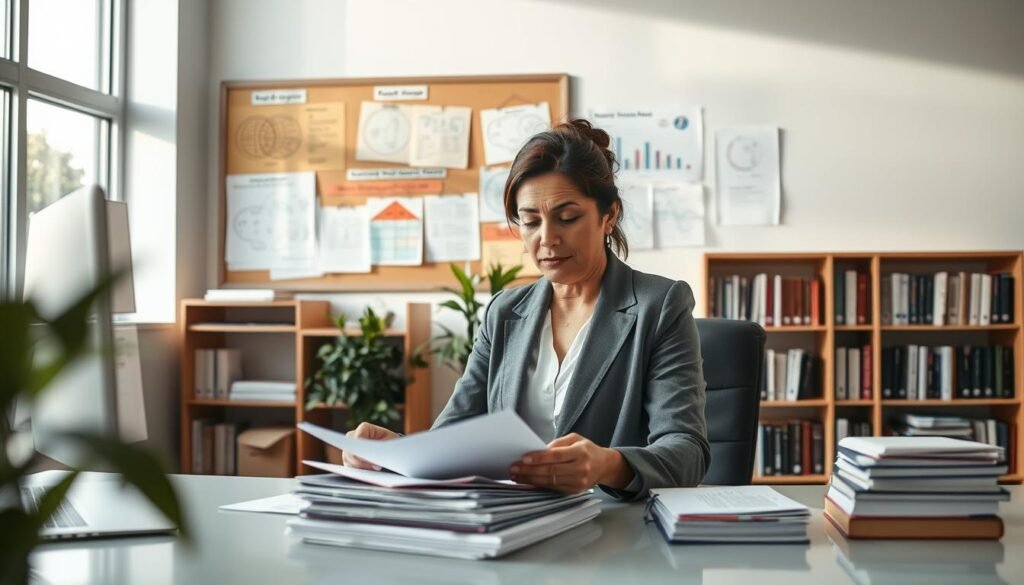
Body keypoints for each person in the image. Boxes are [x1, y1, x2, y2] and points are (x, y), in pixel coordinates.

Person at [344, 119, 709, 500]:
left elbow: (686, 452)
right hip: (512, 525)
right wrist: (392, 453)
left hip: (614, 531)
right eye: (530, 222)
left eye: (567, 218)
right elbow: (450, 440)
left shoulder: (660, 305)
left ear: (609, 215)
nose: (547, 239)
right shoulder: (504, 312)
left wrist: (607, 464)